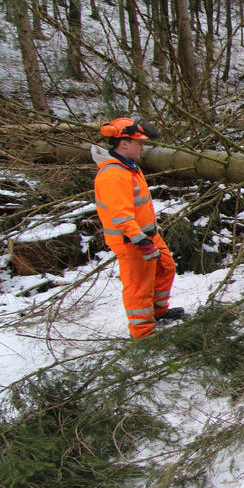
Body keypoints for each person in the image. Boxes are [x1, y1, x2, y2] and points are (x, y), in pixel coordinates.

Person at [92, 117, 184, 338]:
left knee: (166, 268)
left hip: (148, 233)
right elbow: (121, 216)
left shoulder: (129, 168)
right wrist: (140, 240)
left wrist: (151, 229)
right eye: (138, 143)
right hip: (131, 240)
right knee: (139, 286)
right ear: (123, 143)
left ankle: (157, 312)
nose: (142, 148)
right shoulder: (114, 175)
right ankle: (142, 332)